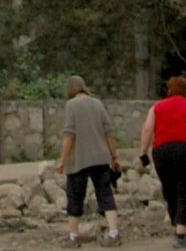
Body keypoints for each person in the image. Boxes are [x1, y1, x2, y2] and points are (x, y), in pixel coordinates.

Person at [139, 74, 186, 248]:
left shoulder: (157, 107)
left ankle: (176, 223)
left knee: (169, 188)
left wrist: (143, 153)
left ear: (169, 90)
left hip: (163, 150)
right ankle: (181, 232)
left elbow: (148, 130)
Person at [57, 75, 122, 245]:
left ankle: (73, 237)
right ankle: (114, 233)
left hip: (79, 160)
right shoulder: (98, 104)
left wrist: (62, 160)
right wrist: (114, 156)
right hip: (101, 158)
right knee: (106, 195)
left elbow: (69, 135)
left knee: (75, 197)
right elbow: (109, 132)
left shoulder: (71, 105)